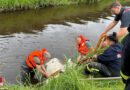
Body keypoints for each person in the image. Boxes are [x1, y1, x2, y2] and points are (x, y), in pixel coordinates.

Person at [101, 1, 130, 89]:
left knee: (125, 46)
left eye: (114, 11)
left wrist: (108, 41)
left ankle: (125, 74)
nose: (113, 13)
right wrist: (105, 32)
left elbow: (122, 32)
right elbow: (113, 23)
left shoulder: (126, 13)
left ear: (118, 7)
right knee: (123, 44)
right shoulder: (121, 12)